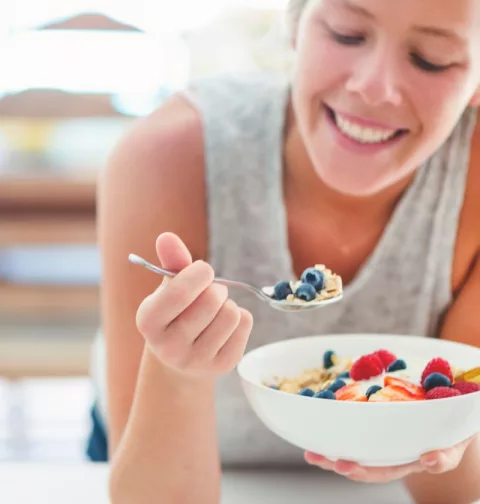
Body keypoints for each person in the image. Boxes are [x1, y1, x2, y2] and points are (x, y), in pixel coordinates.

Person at [93, 0, 480, 502]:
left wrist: (443, 431)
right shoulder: (170, 156)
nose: (373, 86)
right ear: (295, 26)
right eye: (345, 34)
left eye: (430, 58)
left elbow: (450, 490)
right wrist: (175, 375)